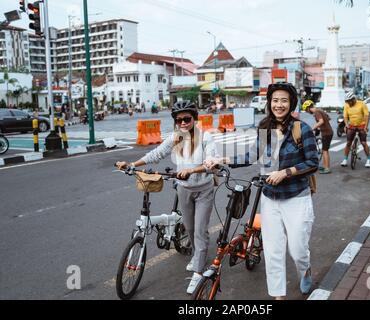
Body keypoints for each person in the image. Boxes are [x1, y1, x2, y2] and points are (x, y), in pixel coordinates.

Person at [205, 82, 319, 299]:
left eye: (284, 100)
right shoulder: (265, 128)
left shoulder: (301, 129)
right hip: (270, 197)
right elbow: (252, 155)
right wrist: (223, 160)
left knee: (297, 249)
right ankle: (278, 295)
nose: (279, 104)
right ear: (269, 103)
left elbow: (313, 163)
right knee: (274, 251)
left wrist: (285, 172)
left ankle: (305, 270)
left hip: (297, 197)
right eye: (275, 100)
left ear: (291, 103)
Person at [116, 100, 217, 294]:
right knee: (190, 227)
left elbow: (210, 163)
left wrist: (191, 170)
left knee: (200, 231)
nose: (183, 123)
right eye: (179, 120)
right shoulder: (175, 138)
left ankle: (198, 272)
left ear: (194, 118)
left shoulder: (206, 138)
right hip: (183, 189)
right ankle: (197, 256)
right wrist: (132, 164)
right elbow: (157, 153)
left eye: (187, 119)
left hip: (204, 190)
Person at [340, 91, 370, 168]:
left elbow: (367, 115)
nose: (348, 103)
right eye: (347, 102)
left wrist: (366, 126)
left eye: (349, 101)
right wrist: (347, 125)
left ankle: (369, 159)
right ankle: (345, 159)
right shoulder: (347, 105)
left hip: (361, 125)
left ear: (353, 99)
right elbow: (345, 116)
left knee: (364, 143)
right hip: (352, 125)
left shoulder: (361, 104)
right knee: (348, 143)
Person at [302, 100, 334, 174]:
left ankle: (327, 168)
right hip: (328, 132)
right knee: (324, 150)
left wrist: (312, 128)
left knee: (325, 150)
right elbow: (328, 118)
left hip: (326, 133)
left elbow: (321, 121)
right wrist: (320, 128)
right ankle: (325, 165)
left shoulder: (316, 112)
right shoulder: (320, 111)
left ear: (308, 108)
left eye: (306, 110)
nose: (307, 112)